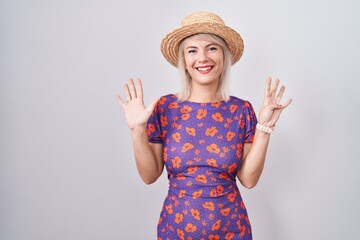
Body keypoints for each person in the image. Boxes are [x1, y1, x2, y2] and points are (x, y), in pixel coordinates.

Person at [117, 12, 292, 240]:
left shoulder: (241, 110)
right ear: (184, 61)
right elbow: (150, 176)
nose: (202, 58)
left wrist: (265, 127)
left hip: (232, 231)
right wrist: (137, 130)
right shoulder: (164, 108)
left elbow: (249, 180)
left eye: (212, 48)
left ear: (223, 56)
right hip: (174, 232)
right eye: (192, 50)